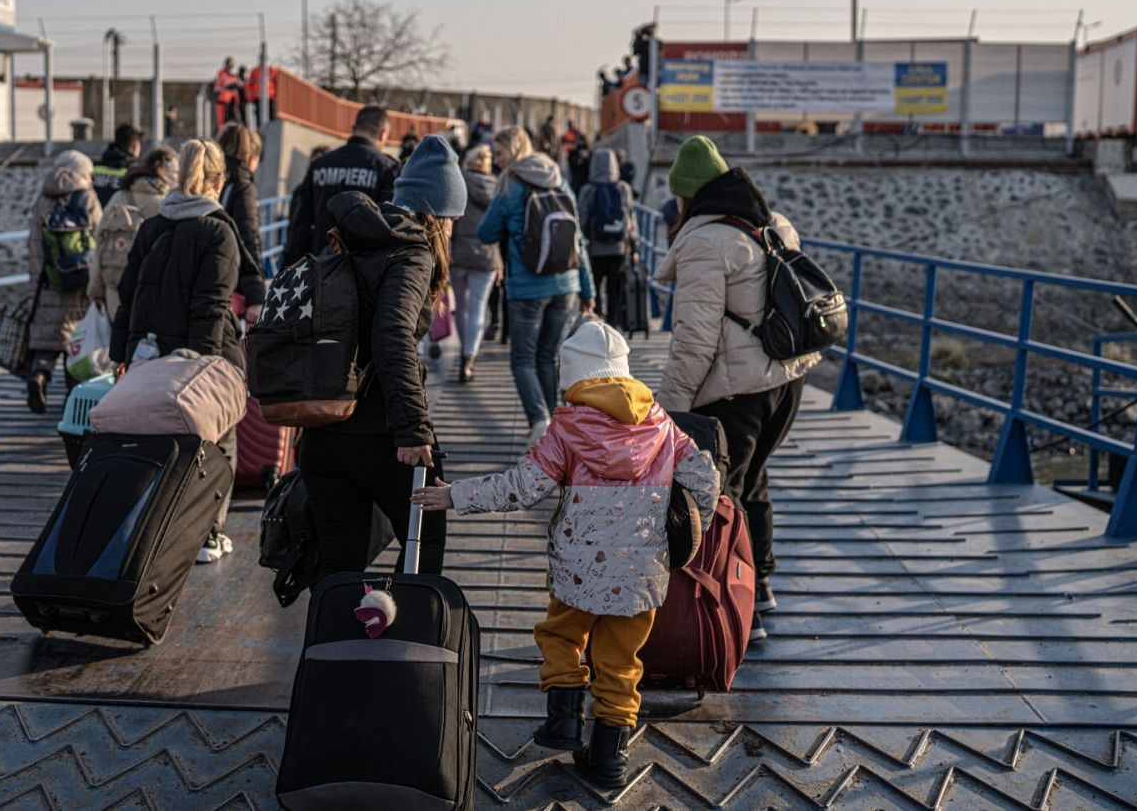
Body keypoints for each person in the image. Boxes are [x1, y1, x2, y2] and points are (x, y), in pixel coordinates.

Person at [413, 321, 719, 789]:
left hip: (579, 573)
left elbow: (521, 487)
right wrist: (692, 528)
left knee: (560, 635)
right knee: (621, 663)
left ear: (573, 376)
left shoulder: (568, 428)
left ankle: (564, 722)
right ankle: (609, 759)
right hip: (641, 576)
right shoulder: (661, 423)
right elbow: (705, 477)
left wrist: (455, 495)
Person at [655, 135, 822, 643]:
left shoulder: (705, 241)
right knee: (754, 482)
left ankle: (736, 607)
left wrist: (667, 412)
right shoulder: (770, 222)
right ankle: (763, 586)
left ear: (686, 196)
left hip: (739, 388)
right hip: (787, 377)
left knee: (724, 494)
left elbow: (695, 339)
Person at [302, 135, 464, 584]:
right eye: (452, 219)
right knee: (424, 542)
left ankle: (327, 651)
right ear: (439, 215)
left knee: (338, 564)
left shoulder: (348, 241)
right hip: (381, 431)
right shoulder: (413, 253)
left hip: (322, 429)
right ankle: (398, 645)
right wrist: (413, 429)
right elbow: (392, 335)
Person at [110, 139, 266, 563]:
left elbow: (127, 293)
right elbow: (212, 304)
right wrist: (204, 366)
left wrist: (119, 352)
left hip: (147, 353)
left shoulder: (153, 225)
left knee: (156, 442)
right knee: (221, 438)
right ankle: (209, 533)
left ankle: (153, 527)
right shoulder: (217, 229)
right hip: (199, 354)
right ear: (218, 181)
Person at [478, 126, 595, 446]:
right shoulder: (557, 178)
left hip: (528, 288)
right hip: (566, 285)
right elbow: (578, 240)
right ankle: (558, 429)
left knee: (523, 359)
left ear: (513, 151)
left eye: (500, 154)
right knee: (548, 357)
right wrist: (588, 290)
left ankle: (539, 420)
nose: (497, 161)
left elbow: (485, 233)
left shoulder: (509, 184)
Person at [25, 150, 103, 414]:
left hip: (49, 281)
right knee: (76, 343)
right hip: (79, 282)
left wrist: (37, 279)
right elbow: (99, 239)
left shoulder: (43, 198)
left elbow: (35, 244)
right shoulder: (87, 196)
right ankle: (73, 398)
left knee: (47, 341)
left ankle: (39, 375)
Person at [282, 105, 400, 266]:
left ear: (354, 128)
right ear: (383, 134)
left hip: (322, 267)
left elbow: (299, 226)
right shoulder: (387, 169)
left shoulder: (319, 165)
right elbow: (389, 227)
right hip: (365, 272)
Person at [89, 147, 178, 321]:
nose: (177, 177)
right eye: (174, 171)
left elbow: (99, 243)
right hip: (152, 294)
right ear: (161, 169)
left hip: (114, 291)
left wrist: (95, 289)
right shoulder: (166, 204)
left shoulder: (118, 197)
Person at [448, 144, 500, 382]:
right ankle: (470, 357)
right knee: (478, 309)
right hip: (487, 256)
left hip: (459, 253)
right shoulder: (498, 187)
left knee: (462, 307)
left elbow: (452, 219)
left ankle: (463, 350)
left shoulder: (459, 181)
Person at [578, 148, 636, 326]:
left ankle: (598, 321)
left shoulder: (588, 189)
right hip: (619, 248)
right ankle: (614, 324)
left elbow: (582, 218)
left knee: (594, 286)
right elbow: (631, 219)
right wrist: (634, 247)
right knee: (615, 289)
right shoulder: (624, 188)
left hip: (595, 248)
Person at [216, 122, 265, 268]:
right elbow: (248, 235)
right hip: (233, 268)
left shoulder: (212, 178)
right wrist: (257, 276)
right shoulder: (243, 187)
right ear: (251, 157)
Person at [92, 124, 141, 208]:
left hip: (98, 218)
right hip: (121, 219)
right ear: (135, 147)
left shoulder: (94, 167)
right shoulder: (135, 172)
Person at [213, 57, 242, 126]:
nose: (231, 66)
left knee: (234, 120)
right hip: (223, 101)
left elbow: (240, 84)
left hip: (233, 102)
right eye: (230, 64)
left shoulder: (233, 76)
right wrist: (230, 86)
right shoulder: (222, 74)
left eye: (232, 64)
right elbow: (219, 86)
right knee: (223, 121)